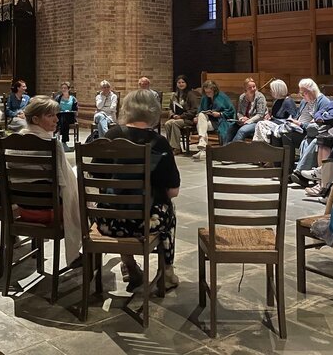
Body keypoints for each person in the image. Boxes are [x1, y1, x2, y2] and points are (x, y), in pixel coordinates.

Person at [99, 90, 181, 291]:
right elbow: (173, 191)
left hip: (108, 222)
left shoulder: (110, 136)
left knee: (119, 207)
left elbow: (97, 178)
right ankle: (167, 271)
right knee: (169, 212)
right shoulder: (160, 143)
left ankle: (128, 263)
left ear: (126, 109)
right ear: (153, 111)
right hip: (145, 224)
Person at [10, 96, 82, 264]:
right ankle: (80, 255)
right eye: (50, 116)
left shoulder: (12, 142)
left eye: (56, 115)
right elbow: (65, 184)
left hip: (23, 208)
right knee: (84, 191)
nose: (57, 119)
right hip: (49, 212)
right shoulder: (50, 144)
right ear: (35, 119)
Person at [193, 80, 236, 161]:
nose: (208, 94)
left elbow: (231, 111)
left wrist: (219, 114)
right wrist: (197, 116)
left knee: (201, 125)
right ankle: (202, 143)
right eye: (206, 92)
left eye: (209, 92)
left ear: (214, 90)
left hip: (218, 120)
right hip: (208, 120)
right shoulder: (205, 98)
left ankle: (202, 149)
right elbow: (200, 110)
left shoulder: (222, 97)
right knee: (201, 115)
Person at [163, 75, 200, 156]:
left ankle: (176, 148)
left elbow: (194, 109)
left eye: (183, 82)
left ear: (186, 83)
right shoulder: (174, 95)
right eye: (179, 82)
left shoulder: (191, 94)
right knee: (167, 123)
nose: (181, 84)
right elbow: (170, 108)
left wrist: (182, 116)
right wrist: (173, 115)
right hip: (177, 117)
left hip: (188, 119)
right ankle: (171, 147)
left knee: (174, 123)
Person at [230, 77, 268, 143]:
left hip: (257, 122)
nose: (253, 89)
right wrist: (241, 118)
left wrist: (249, 121)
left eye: (254, 86)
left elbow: (260, 115)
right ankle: (225, 147)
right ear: (245, 89)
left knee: (242, 131)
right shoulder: (242, 97)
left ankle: (233, 148)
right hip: (244, 122)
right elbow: (239, 112)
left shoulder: (260, 97)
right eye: (250, 88)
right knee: (230, 129)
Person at [55, 82, 78, 152]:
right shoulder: (58, 98)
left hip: (70, 116)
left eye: (65, 88)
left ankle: (59, 136)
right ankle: (64, 142)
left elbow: (75, 110)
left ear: (69, 89)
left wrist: (69, 111)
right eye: (62, 88)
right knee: (63, 118)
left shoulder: (73, 99)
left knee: (65, 117)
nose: (63, 89)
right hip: (60, 116)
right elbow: (54, 108)